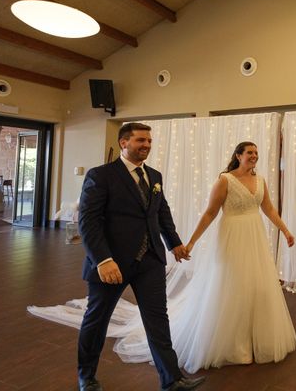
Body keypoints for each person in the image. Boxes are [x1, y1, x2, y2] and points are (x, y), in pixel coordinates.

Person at [77, 122, 206, 391]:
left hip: (150, 260)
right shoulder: (101, 175)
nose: (146, 145)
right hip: (111, 262)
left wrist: (174, 244)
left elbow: (161, 212)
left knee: (157, 319)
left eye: (149, 140)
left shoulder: (154, 176)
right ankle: (87, 377)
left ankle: (172, 379)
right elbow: (88, 222)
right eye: (140, 140)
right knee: (97, 319)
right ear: (124, 143)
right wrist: (102, 259)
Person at [172, 141, 296, 370]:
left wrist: (286, 230)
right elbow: (210, 213)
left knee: (257, 286)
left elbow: (269, 209)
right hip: (232, 238)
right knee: (234, 286)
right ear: (238, 156)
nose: (254, 156)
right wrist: (191, 242)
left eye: (256, 153)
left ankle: (255, 339)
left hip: (255, 238)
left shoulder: (261, 181)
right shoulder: (225, 180)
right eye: (249, 152)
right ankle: (233, 345)